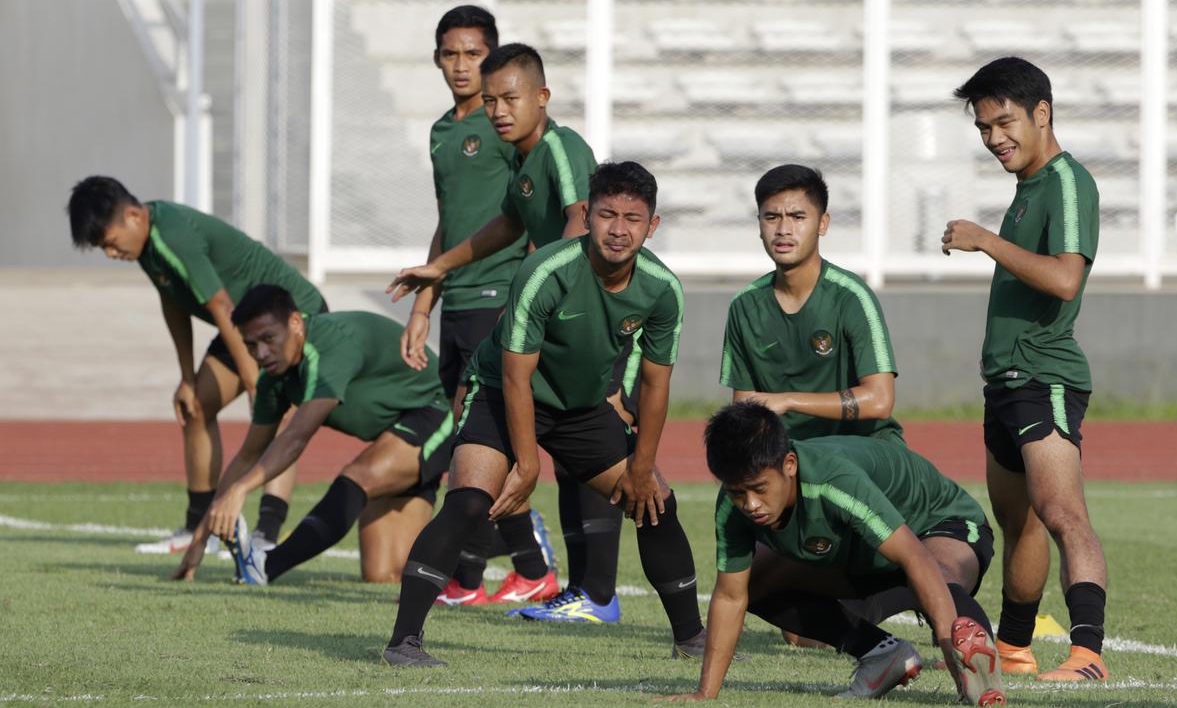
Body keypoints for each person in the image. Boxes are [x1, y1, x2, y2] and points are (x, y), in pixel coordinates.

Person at [382, 161, 704, 667]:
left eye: (633, 218)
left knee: (655, 503)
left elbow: (656, 385)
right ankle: (403, 643)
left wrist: (642, 467)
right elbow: (514, 377)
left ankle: (692, 639)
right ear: (586, 214)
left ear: (653, 225)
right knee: (468, 503)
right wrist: (527, 465)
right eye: (606, 215)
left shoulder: (662, 288)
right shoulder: (544, 272)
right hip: (500, 393)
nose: (618, 230)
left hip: (582, 409)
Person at [391, 41, 627, 622]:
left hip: (591, 327)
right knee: (578, 454)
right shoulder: (523, 160)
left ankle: (597, 594)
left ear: (542, 97)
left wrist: (534, 291)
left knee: (600, 460)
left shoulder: (560, 146)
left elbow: (578, 218)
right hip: (560, 329)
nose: (497, 109)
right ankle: (583, 591)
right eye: (490, 99)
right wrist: (441, 268)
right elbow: (507, 224)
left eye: (510, 98)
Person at [661, 402, 1005, 705]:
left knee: (936, 574)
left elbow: (916, 558)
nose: (750, 504)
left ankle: (980, 667)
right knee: (754, 583)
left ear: (790, 464)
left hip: (938, 523)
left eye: (760, 489)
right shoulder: (732, 508)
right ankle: (880, 653)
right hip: (865, 549)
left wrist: (958, 664)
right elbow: (730, 596)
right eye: (738, 493)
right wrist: (706, 693)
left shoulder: (833, 482)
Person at [943, 56, 1108, 682]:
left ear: (1042, 113)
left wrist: (985, 239)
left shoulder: (1067, 182)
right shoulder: (1030, 185)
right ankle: (1013, 649)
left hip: (1045, 376)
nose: (994, 138)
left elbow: (1066, 279)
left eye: (1004, 122)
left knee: (1062, 513)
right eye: (984, 127)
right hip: (1006, 382)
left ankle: (1088, 654)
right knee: (1021, 523)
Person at [67, 176, 325, 555]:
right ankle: (195, 527)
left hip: (290, 319)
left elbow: (220, 305)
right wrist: (187, 378)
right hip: (243, 326)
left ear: (134, 216)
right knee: (196, 406)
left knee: (280, 421)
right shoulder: (147, 247)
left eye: (109, 242)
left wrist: (256, 384)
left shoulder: (171, 234)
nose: (110, 253)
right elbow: (174, 302)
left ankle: (266, 536)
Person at [720, 163, 905, 649]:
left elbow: (880, 399)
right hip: (790, 472)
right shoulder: (745, 307)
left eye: (798, 216)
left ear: (822, 223)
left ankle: (905, 582)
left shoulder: (851, 297)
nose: (784, 229)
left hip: (861, 458)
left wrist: (789, 401)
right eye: (771, 217)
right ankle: (858, 608)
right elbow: (744, 414)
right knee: (779, 614)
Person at [171, 285, 454, 584]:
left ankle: (266, 566)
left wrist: (240, 490)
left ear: (295, 323)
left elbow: (295, 437)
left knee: (359, 475)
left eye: (268, 338)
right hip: (393, 437)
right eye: (251, 345)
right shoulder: (273, 378)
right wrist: (200, 540)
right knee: (385, 575)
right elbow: (248, 455)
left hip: (439, 412)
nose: (261, 353)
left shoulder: (328, 346)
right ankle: (475, 549)